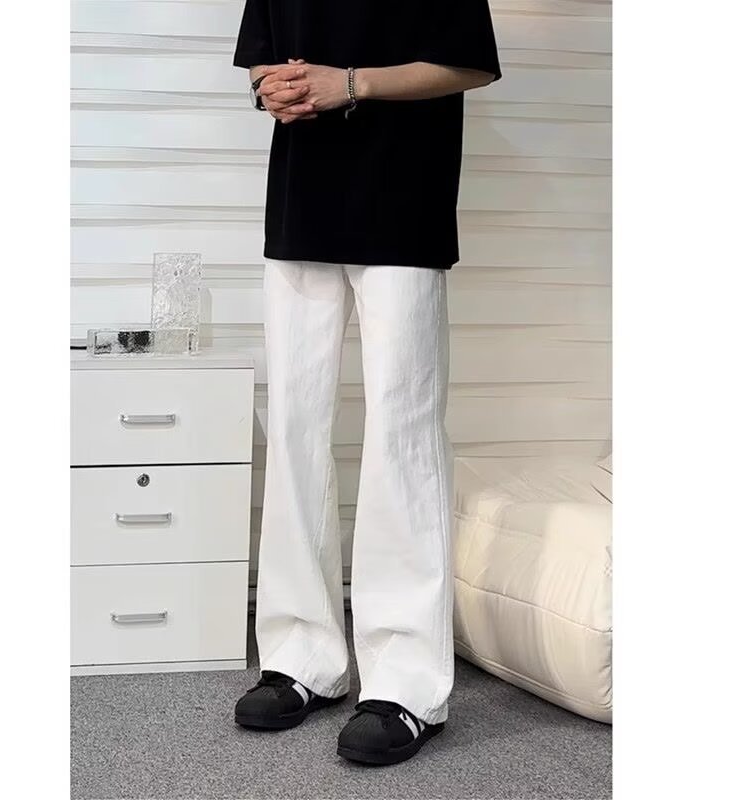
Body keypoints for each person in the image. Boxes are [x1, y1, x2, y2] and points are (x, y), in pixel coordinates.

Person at [231, 0, 501, 766]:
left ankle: (407, 682)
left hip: (402, 196)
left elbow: (469, 60)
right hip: (301, 197)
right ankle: (303, 656)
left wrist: (349, 84)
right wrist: (273, 89)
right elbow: (261, 57)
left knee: (401, 433)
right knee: (294, 426)